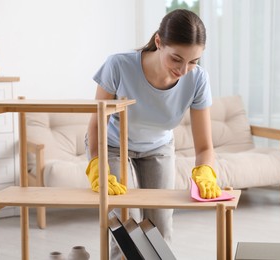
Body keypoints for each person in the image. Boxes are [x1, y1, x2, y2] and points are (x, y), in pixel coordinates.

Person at [85, 8, 221, 258]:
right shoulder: (119, 65)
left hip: (158, 146)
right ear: (159, 42)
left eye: (193, 61)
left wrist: (205, 172)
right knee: (123, 225)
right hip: (113, 145)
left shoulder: (198, 79)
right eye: (176, 59)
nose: (183, 69)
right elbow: (96, 124)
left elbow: (204, 147)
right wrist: (96, 163)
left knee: (159, 229)